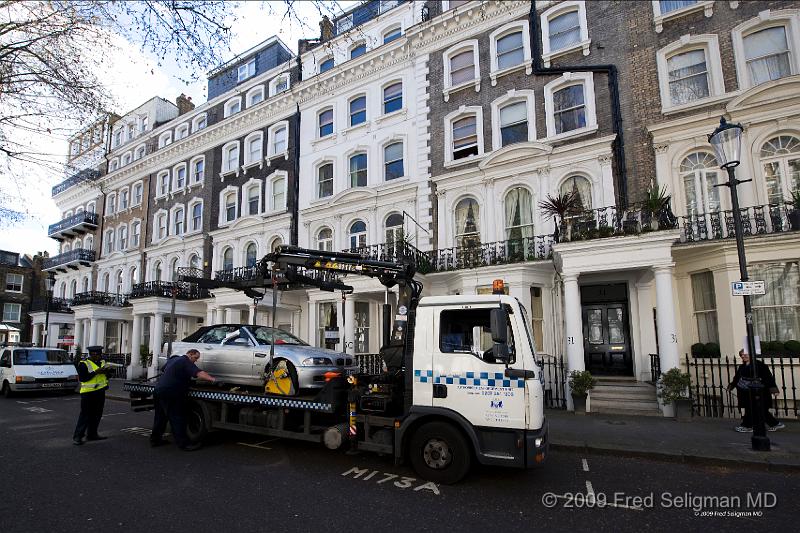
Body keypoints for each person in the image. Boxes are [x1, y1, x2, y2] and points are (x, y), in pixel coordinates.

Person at [150, 349, 216, 451]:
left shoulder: (174, 359)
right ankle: (184, 444)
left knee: (160, 417)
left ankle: (155, 440)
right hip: (171, 392)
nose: (195, 360)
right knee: (177, 418)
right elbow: (198, 373)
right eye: (195, 358)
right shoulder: (185, 361)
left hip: (159, 391)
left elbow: (164, 369)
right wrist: (213, 379)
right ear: (190, 354)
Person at [727, 349, 785, 433]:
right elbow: (737, 378)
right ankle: (775, 424)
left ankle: (747, 426)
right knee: (756, 409)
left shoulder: (760, 365)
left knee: (754, 409)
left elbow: (768, 377)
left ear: (751, 355)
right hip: (747, 392)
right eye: (741, 355)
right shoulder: (742, 366)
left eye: (745, 354)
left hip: (759, 391)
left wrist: (773, 390)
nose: (742, 356)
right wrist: (731, 386)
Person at [73, 346, 112, 445]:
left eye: (99, 355)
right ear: (91, 354)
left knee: (97, 414)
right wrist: (95, 372)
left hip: (100, 391)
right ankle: (78, 436)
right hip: (88, 393)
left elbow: (106, 376)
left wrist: (108, 372)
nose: (98, 357)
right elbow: (83, 378)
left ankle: (92, 434)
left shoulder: (103, 363)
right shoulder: (83, 364)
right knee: (85, 415)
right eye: (96, 355)